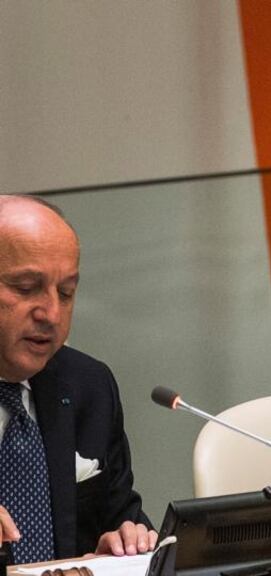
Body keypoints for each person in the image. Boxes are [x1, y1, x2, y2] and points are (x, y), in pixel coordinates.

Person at [0, 195, 156, 563]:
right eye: (26, 288)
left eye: (66, 292)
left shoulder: (88, 385)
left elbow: (120, 517)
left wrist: (122, 545)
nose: (52, 314)